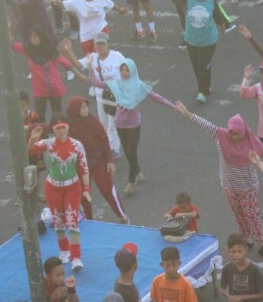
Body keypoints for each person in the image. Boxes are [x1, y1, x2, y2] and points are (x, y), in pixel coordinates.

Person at [174, 102, 263, 255]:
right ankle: (247, 238)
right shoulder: (221, 136)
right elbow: (204, 124)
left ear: (243, 131)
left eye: (237, 133)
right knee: (239, 214)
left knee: (252, 215)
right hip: (229, 186)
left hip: (247, 188)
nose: (234, 136)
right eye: (232, 133)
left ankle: (262, 243)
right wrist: (186, 113)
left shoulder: (252, 142)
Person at [84, 56, 170, 196]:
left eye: (127, 70)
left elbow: (156, 97)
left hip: (133, 124)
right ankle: (138, 172)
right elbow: (96, 82)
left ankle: (131, 182)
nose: (124, 73)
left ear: (132, 71)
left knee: (131, 152)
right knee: (128, 152)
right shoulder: (116, 84)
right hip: (120, 123)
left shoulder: (139, 86)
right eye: (122, 70)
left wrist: (173, 106)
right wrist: (89, 67)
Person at [154, 0, 230, 103]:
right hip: (191, 40)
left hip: (208, 41)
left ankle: (202, 92)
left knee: (202, 66)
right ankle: (206, 85)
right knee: (197, 66)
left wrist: (222, 28)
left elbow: (219, 17)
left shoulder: (211, 1)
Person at [28, 117, 91, 269]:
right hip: (53, 188)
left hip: (72, 188)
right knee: (58, 221)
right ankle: (64, 251)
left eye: (64, 127)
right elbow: (30, 150)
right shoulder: (47, 143)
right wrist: (33, 138)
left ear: (68, 127)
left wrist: (87, 188)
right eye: (58, 128)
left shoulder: (77, 145)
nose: (61, 131)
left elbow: (84, 167)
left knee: (72, 222)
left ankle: (76, 257)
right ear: (53, 129)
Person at [66, 96, 128, 224]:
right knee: (83, 194)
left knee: (107, 189)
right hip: (81, 165)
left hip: (98, 161)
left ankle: (122, 216)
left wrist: (109, 160)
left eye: (86, 106)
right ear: (75, 110)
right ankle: (88, 222)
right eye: (82, 107)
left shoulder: (92, 121)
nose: (86, 109)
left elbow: (104, 139)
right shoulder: (69, 126)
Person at [13, 27, 78, 120]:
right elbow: (12, 45)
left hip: (54, 88)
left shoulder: (50, 50)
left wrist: (81, 76)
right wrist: (6, 29)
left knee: (57, 115)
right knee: (39, 116)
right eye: (31, 37)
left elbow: (66, 63)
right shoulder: (28, 49)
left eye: (36, 36)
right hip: (39, 89)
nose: (33, 39)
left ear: (41, 37)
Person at [56, 0, 128, 55]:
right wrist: (66, 10)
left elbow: (112, 5)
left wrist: (120, 10)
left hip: (101, 30)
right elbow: (61, 4)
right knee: (90, 58)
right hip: (86, 35)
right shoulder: (76, 1)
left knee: (100, 55)